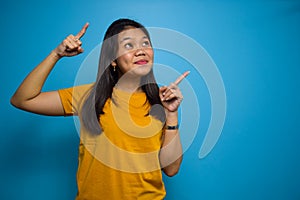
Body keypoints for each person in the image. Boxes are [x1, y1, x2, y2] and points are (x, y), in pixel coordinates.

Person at [10, 18, 189, 200]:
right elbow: (23, 99)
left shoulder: (161, 100)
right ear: (112, 60)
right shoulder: (88, 96)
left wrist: (172, 114)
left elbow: (171, 169)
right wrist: (56, 54)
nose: (140, 51)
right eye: (129, 45)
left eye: (145, 43)